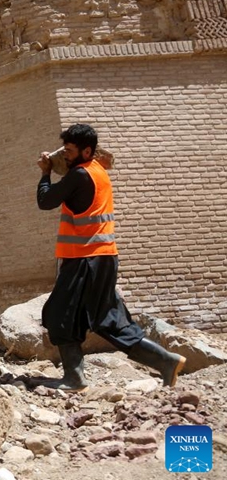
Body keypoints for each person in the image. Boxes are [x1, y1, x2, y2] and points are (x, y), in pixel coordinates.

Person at [36, 123, 186, 392]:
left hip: (85, 260)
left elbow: (45, 201)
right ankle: (165, 361)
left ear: (87, 150)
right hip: (102, 258)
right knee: (107, 319)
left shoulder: (79, 175)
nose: (66, 155)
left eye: (69, 151)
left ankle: (74, 378)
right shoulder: (97, 171)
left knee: (59, 314)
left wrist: (46, 173)